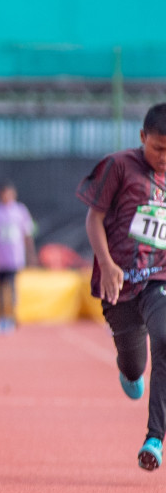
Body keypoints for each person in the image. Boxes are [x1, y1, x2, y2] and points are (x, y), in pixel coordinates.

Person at [78, 103, 166, 471]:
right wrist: (109, 265)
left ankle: (155, 438)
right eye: (159, 147)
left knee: (165, 336)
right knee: (135, 367)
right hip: (119, 283)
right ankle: (128, 370)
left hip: (158, 277)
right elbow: (93, 219)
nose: (165, 157)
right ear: (142, 137)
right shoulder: (118, 166)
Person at [0, 183, 34, 333]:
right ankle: (1, 316)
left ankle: (14, 316)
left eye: (9, 193)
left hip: (15, 258)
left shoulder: (20, 211)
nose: (6, 196)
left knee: (13, 287)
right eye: (4, 193)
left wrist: (30, 255)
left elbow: (27, 234)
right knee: (0, 289)